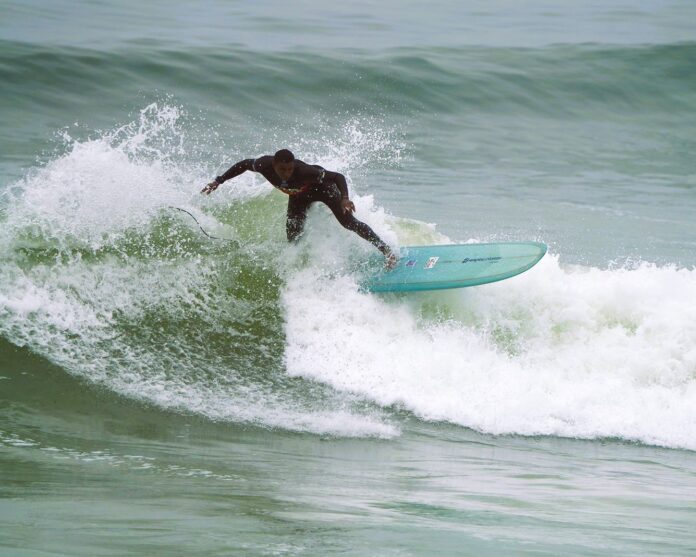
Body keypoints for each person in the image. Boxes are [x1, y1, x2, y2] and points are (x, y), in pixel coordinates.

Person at [202, 149, 397, 267]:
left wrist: (344, 199)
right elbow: (244, 165)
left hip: (322, 190)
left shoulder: (305, 171)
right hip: (298, 197)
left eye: (289, 169)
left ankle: (387, 251)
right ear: (274, 165)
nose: (287, 173)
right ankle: (301, 265)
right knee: (293, 235)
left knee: (348, 223)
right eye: (282, 169)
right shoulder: (263, 164)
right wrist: (219, 181)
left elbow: (337, 177)